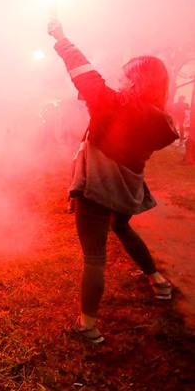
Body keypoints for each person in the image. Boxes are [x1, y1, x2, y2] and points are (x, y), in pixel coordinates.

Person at [48, 18, 179, 344]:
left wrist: (61, 37)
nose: (118, 79)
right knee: (121, 227)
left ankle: (88, 326)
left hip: (97, 189)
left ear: (136, 81)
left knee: (94, 257)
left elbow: (84, 74)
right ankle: (159, 281)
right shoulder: (159, 117)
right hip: (126, 191)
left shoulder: (115, 106)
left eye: (124, 75)